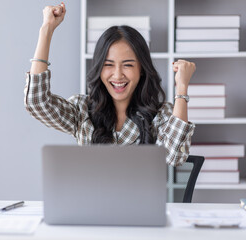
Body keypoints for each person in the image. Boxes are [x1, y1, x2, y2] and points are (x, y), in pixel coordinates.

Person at [24, 2, 196, 166]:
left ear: (141, 69)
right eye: (108, 65)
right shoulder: (82, 110)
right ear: (99, 68)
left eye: (128, 65)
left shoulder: (161, 114)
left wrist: (181, 88)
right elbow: (37, 103)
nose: (118, 75)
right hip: (90, 197)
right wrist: (46, 30)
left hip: (139, 197)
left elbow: (175, 156)